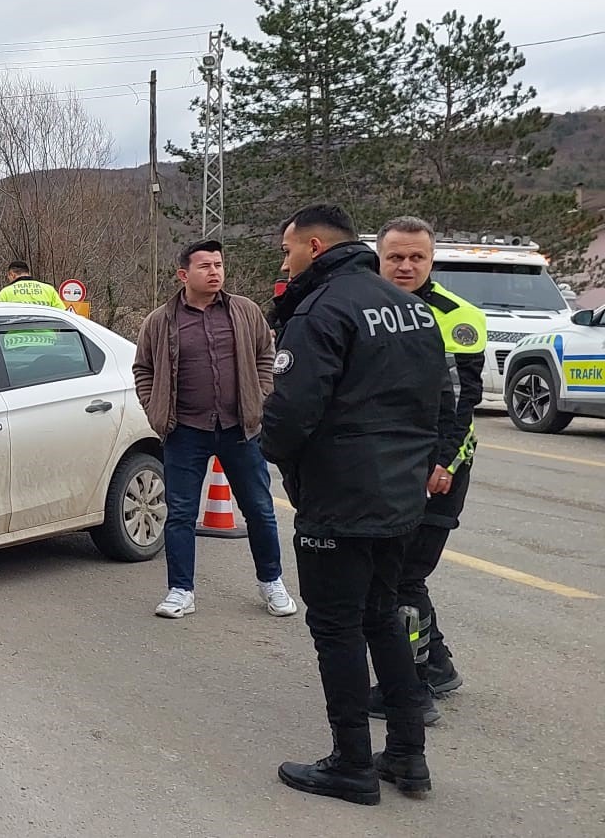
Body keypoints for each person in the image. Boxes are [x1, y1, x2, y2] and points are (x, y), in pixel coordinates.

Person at [262, 204, 449, 805]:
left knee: (337, 627)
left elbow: (291, 412)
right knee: (383, 616)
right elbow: (441, 404)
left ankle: (350, 762)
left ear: (315, 247)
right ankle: (406, 754)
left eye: (288, 248)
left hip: (340, 498)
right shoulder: (413, 310)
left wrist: (277, 455)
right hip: (398, 497)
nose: (283, 260)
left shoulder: (321, 310)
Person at [132, 239, 294, 620]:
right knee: (181, 514)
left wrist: (262, 399)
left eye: (219, 264)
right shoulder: (161, 321)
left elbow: (265, 357)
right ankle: (180, 590)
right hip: (185, 430)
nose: (215, 272)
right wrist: (156, 412)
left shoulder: (245, 312)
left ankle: (271, 582)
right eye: (205, 266)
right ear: (184, 274)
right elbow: (143, 369)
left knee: (259, 509)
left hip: (241, 428)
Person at [367, 216, 486, 725]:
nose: (406, 266)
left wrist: (442, 462)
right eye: (396, 257)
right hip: (389, 464)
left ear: (431, 260)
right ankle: (436, 665)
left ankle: (413, 682)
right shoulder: (367, 309)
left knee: (404, 576)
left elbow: (462, 404)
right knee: (397, 573)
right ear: (380, 258)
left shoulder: (458, 317)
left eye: (417, 257)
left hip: (439, 467)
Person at [0, 261, 68, 310]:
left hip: (15, 333)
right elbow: (63, 314)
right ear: (28, 273)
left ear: (12, 274)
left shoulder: (6, 292)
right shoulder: (49, 289)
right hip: (46, 333)